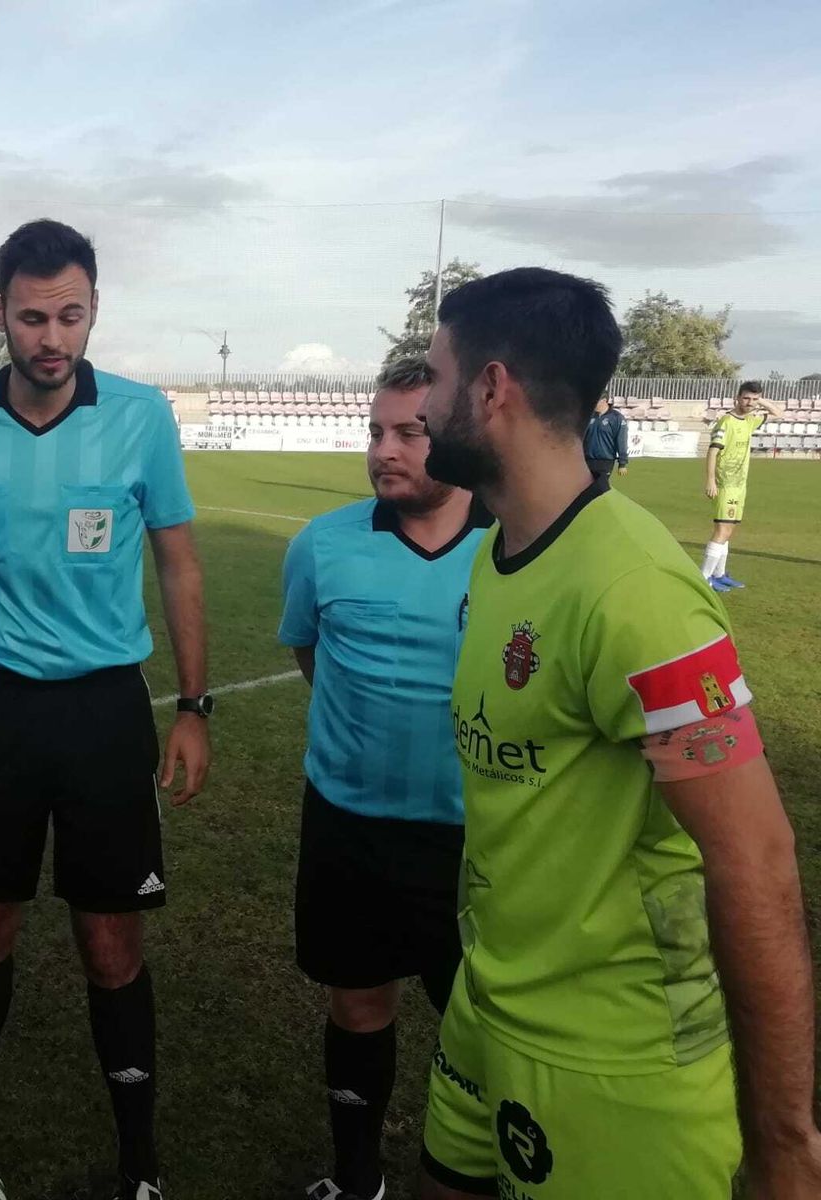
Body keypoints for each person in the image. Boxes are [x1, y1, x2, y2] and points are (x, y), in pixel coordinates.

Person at [417, 267, 819, 1200]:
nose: (425, 405)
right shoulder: (496, 549)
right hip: (489, 1002)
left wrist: (786, 1142)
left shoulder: (635, 591)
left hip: (615, 1057)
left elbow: (756, 861)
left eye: (435, 378)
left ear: (491, 388)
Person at [0, 218, 209, 1200]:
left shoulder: (140, 417)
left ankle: (138, 1156)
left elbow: (178, 562)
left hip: (104, 710)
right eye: (33, 317)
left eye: (70, 316)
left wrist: (193, 705)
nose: (51, 337)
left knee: (110, 940)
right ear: (0, 312)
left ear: (93, 311)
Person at [280, 356, 490, 1200]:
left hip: (474, 838)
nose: (384, 451)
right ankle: (356, 1175)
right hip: (349, 824)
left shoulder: (513, 547)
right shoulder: (322, 544)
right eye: (375, 431)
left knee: (483, 1022)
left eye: (410, 432)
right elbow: (312, 654)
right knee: (358, 1005)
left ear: (459, 433)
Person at [701, 379, 783, 591]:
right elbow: (712, 451)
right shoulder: (726, 422)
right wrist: (710, 480)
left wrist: (759, 401)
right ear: (737, 398)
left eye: (754, 399)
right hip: (725, 484)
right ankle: (704, 578)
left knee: (729, 531)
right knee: (722, 530)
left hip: (739, 485)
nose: (750, 402)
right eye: (746, 398)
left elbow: (778, 413)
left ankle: (719, 574)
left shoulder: (750, 421)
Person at [580, 393, 626, 480]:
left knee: (600, 486)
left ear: (604, 400)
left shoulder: (616, 418)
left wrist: (622, 463)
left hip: (605, 461)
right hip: (587, 460)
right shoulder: (588, 416)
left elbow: (621, 440)